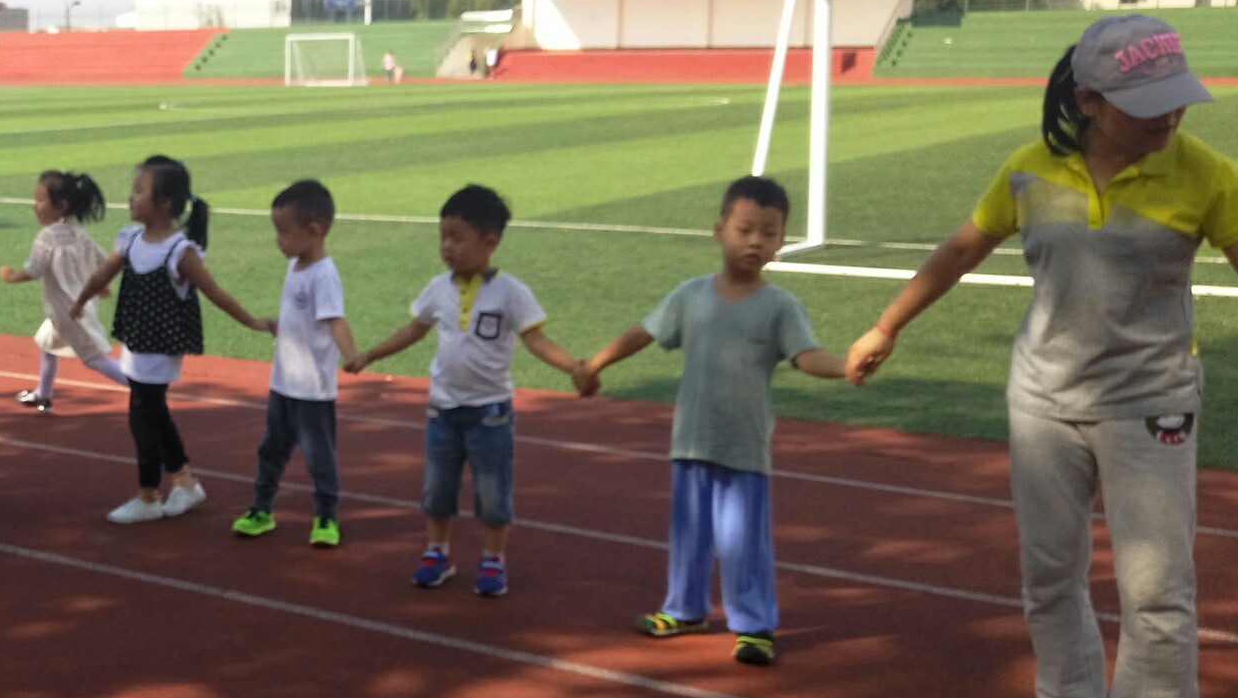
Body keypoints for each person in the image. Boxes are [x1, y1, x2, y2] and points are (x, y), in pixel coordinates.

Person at [846, 15, 1238, 698]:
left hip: (1150, 405)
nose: (1170, 115)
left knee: (1157, 586)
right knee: (1050, 571)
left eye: (1176, 98)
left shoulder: (1206, 175)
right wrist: (888, 325)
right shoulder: (1028, 171)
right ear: (1088, 100)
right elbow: (960, 249)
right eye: (1147, 103)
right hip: (1043, 402)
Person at [578, 175, 848, 666]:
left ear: (781, 242)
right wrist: (594, 364)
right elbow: (644, 332)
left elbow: (806, 356)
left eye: (768, 233)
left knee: (743, 541)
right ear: (719, 230)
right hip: (692, 441)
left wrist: (846, 366)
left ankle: (755, 624)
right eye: (745, 229)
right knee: (689, 535)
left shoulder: (780, 307)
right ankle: (685, 610)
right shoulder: (692, 296)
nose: (755, 241)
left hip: (743, 448)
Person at [350, 184, 588, 593]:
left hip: (490, 414)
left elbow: (536, 340)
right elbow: (414, 329)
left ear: (489, 242)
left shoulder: (511, 293)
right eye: (442, 237)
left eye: (457, 238)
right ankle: (437, 552)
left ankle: (493, 560)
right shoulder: (438, 288)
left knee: (493, 495)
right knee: (437, 490)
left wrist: (574, 367)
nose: (447, 247)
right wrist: (370, 354)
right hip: (442, 410)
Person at [73, 154, 270, 525]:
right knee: (153, 412)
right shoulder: (131, 240)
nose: (130, 197)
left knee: (142, 415)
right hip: (135, 342)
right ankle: (184, 482)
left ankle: (149, 495)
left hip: (161, 348)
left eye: (139, 191)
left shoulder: (180, 252)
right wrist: (81, 299)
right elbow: (103, 274)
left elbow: (216, 293)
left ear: (163, 202)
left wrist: (253, 322)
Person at [231, 178, 356, 548]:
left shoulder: (324, 275)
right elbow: (302, 315)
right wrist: (281, 324)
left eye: (284, 232)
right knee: (272, 448)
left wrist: (352, 355)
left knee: (318, 456)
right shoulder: (295, 266)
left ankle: (327, 516)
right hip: (283, 384)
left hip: (312, 390)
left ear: (313, 231)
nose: (278, 241)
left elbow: (335, 320)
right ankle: (262, 509)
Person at [0, 169, 123, 411]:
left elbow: (35, 270)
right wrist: (101, 285)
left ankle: (144, 387)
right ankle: (43, 394)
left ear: (61, 206)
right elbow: (103, 260)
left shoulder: (48, 236)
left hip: (68, 311)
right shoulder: (79, 234)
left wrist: (11, 276)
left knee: (95, 359)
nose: (35, 205)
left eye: (40, 199)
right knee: (47, 343)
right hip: (73, 308)